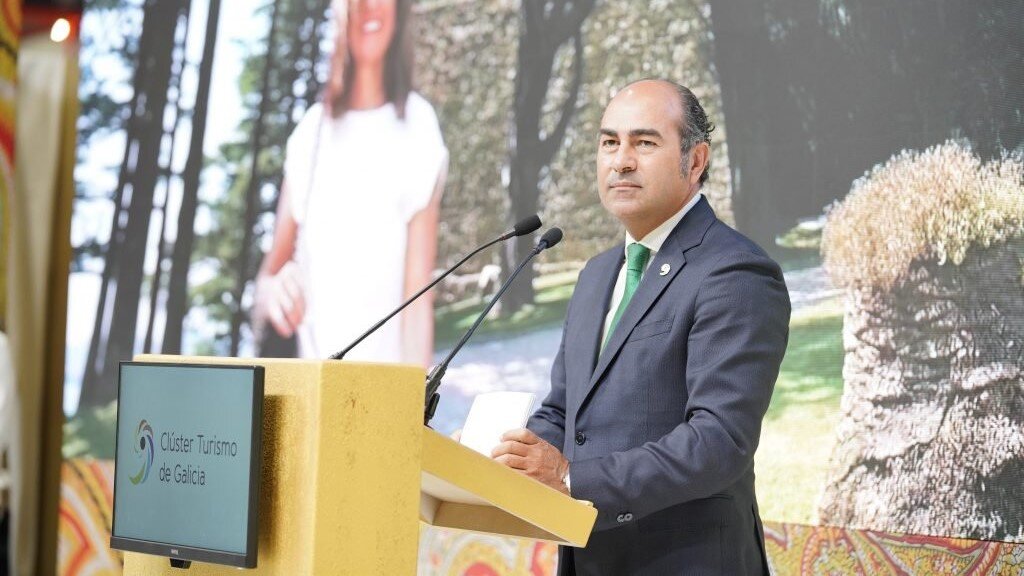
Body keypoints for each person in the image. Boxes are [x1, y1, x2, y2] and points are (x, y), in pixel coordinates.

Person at [492, 79, 790, 575]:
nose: (621, 161)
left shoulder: (735, 272)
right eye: (610, 142)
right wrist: (500, 454)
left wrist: (571, 479)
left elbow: (719, 441)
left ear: (695, 161)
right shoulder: (596, 276)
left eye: (645, 142)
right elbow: (564, 412)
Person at [253, 0, 447, 365]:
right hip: (309, 388)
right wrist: (276, 290)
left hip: (380, 388)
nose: (369, 6)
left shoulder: (418, 125)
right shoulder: (311, 132)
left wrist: (414, 397)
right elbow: (266, 281)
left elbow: (417, 299)